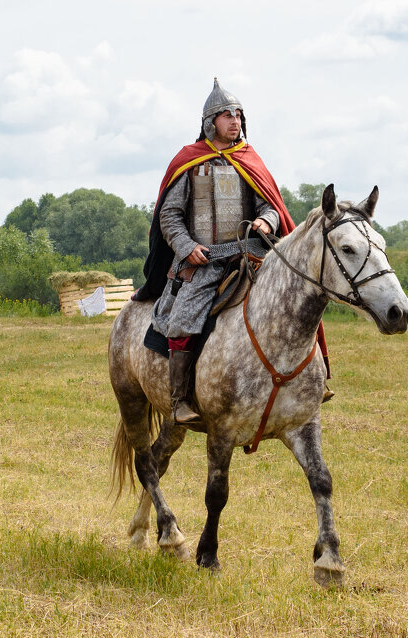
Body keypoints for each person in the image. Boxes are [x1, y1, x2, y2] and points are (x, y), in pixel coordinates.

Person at [134, 78, 316, 425]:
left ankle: (309, 382)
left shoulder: (249, 160)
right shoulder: (189, 161)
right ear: (210, 122)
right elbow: (169, 215)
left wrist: (265, 220)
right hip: (204, 261)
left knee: (297, 301)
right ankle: (179, 399)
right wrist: (188, 249)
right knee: (184, 318)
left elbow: (270, 205)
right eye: (227, 115)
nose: (235, 121)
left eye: (238, 115)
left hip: (249, 254)